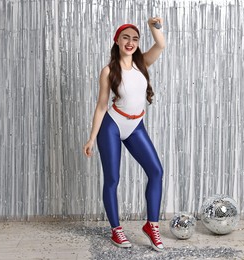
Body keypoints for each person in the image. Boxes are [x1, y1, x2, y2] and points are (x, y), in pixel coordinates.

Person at [83, 17, 166, 251]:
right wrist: (91, 138)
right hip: (112, 126)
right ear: (117, 41)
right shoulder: (109, 70)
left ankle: (152, 226)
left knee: (156, 172)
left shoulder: (142, 64)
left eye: (135, 39)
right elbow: (101, 106)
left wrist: (153, 27)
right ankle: (116, 230)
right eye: (126, 38)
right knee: (112, 179)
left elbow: (160, 45)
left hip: (135, 126)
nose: (130, 42)